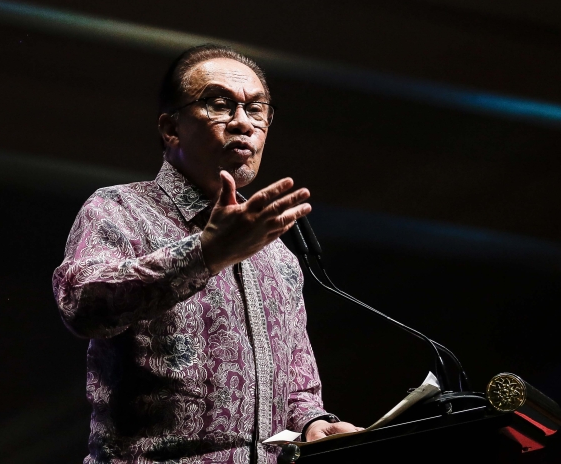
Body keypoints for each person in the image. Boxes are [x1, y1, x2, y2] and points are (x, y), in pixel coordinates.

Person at [52, 44, 359, 463]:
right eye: (219, 105)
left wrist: (311, 421)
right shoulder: (119, 209)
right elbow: (82, 306)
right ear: (171, 128)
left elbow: (297, 387)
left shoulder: (277, 254)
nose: (242, 122)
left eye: (256, 109)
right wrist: (204, 254)